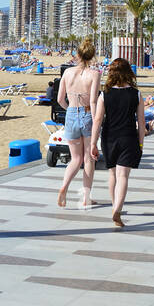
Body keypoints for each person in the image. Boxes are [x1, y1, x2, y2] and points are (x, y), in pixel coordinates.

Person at [92, 58, 146, 228]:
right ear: (128, 72)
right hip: (128, 137)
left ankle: (114, 204)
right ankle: (118, 209)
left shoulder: (104, 94)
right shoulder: (136, 94)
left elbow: (98, 120)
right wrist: (140, 144)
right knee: (123, 176)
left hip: (109, 138)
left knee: (113, 174)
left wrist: (93, 143)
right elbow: (142, 122)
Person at [56, 37, 101, 209]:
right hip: (87, 114)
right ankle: (86, 198)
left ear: (78, 54)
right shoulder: (94, 74)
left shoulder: (67, 73)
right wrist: (96, 121)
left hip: (71, 114)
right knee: (89, 159)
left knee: (75, 159)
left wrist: (70, 110)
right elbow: (94, 101)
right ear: (92, 56)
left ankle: (64, 187)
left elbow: (60, 99)